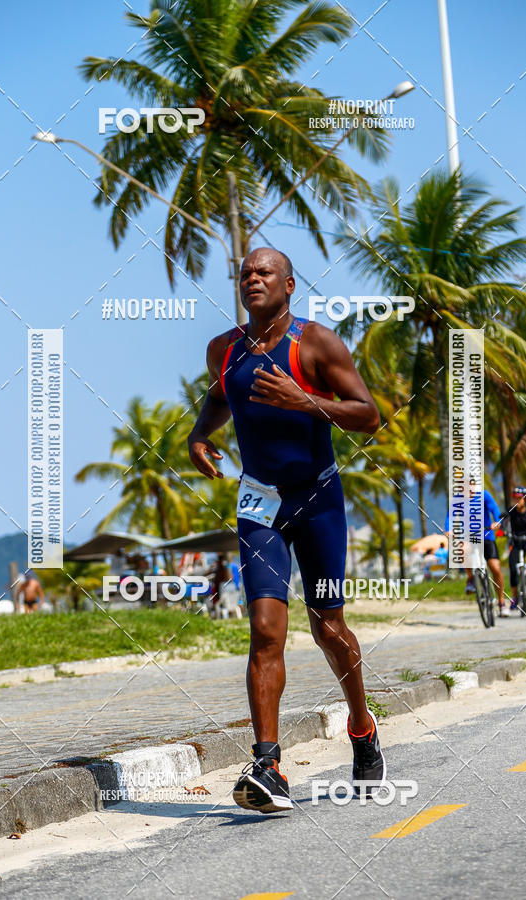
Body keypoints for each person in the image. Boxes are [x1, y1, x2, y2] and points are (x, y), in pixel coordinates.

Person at [188, 247, 384, 813]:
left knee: (328, 628)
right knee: (266, 630)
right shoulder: (223, 350)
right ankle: (268, 765)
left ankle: (362, 726)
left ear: (289, 285)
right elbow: (220, 398)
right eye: (245, 273)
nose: (252, 278)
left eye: (263, 272)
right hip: (259, 504)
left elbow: (368, 415)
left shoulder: (316, 344)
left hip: (318, 499)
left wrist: (305, 400)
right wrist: (201, 435)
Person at [444, 488, 506, 615]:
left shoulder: (484, 495)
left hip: (486, 535)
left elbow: (495, 509)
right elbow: (450, 516)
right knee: (462, 549)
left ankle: (501, 601)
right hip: (468, 536)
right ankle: (471, 578)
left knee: (495, 568)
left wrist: (497, 522)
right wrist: (448, 529)